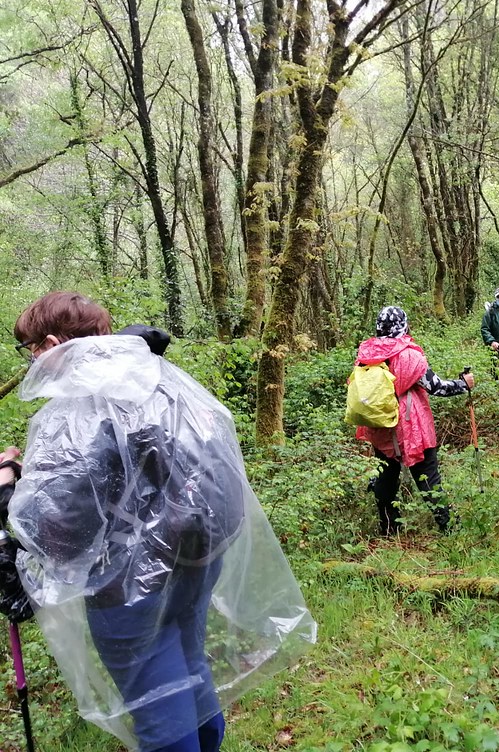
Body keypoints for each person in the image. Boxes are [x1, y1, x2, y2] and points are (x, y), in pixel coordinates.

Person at [1, 291, 315, 752]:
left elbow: (59, 530)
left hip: (127, 586)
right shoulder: (155, 378)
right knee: (186, 659)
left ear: (49, 344)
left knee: (154, 693)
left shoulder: (78, 407)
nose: (31, 362)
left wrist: (7, 487)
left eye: (29, 350)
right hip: (197, 557)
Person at [355, 306, 474, 535]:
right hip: (409, 426)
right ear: (403, 325)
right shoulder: (408, 354)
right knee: (427, 474)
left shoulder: (366, 354)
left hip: (380, 425)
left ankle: (389, 528)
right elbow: (436, 387)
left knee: (386, 476)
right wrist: (463, 384)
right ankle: (448, 526)